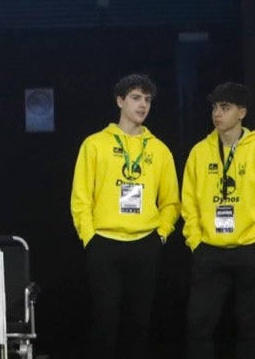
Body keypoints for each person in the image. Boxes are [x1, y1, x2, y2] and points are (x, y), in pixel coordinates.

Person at [69, 73, 179, 359]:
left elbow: (171, 201)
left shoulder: (159, 149)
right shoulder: (94, 144)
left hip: (145, 242)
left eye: (147, 99)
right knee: (106, 321)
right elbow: (81, 197)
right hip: (104, 242)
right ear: (120, 101)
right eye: (135, 98)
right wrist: (89, 238)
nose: (143, 105)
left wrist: (162, 234)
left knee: (140, 323)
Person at [182, 82, 255, 359]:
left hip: (248, 250)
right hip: (209, 251)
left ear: (242, 112)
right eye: (215, 107)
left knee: (249, 326)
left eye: (225, 107)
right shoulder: (199, 152)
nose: (217, 113)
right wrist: (195, 241)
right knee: (198, 325)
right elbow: (188, 203)